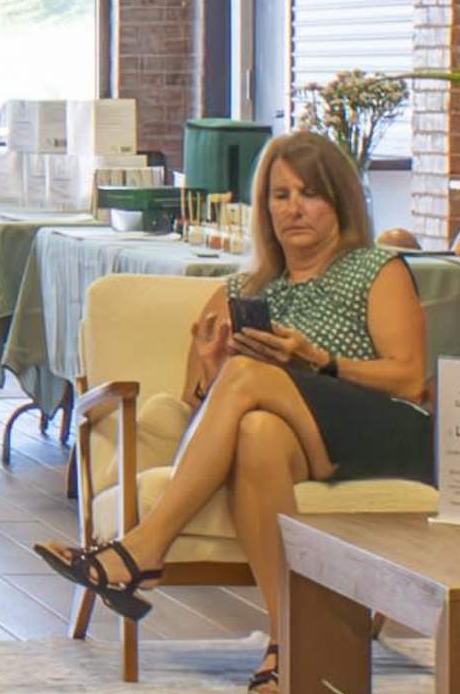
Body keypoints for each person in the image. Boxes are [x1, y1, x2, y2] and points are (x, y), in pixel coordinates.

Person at [46, 126, 431, 641]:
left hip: (377, 430)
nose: (294, 208)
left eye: (310, 194)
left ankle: (145, 548)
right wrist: (211, 372)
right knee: (255, 435)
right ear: (264, 209)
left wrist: (319, 360)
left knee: (251, 376)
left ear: (338, 202)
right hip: (300, 443)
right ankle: (289, 641)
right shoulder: (239, 290)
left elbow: (407, 377)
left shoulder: (375, 268)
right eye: (280, 195)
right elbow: (195, 408)